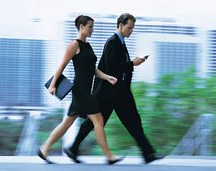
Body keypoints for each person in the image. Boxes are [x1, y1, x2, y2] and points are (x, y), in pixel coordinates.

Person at [63, 13, 164, 164]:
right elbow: (112, 67)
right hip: (108, 93)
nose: (131, 31)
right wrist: (132, 63)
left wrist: (133, 64)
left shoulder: (120, 42)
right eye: (129, 28)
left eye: (132, 28)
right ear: (120, 25)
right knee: (98, 122)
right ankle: (73, 148)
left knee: (132, 121)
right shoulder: (112, 42)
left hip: (119, 92)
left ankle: (148, 153)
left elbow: (117, 66)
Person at [38, 15, 122, 165]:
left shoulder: (87, 46)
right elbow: (62, 65)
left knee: (67, 123)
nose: (92, 29)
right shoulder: (74, 45)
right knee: (99, 119)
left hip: (84, 91)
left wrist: (107, 77)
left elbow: (92, 69)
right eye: (90, 26)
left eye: (92, 26)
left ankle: (44, 148)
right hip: (80, 91)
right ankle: (109, 156)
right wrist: (53, 85)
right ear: (81, 27)